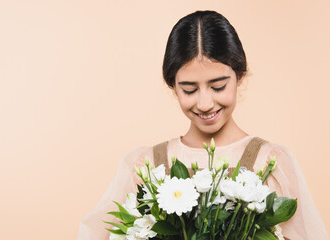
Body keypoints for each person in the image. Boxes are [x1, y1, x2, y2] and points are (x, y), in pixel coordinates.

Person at [77, 10, 329, 240]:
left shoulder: (271, 162)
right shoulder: (146, 165)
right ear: (173, 86)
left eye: (218, 86)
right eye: (189, 89)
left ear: (239, 76)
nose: (205, 103)